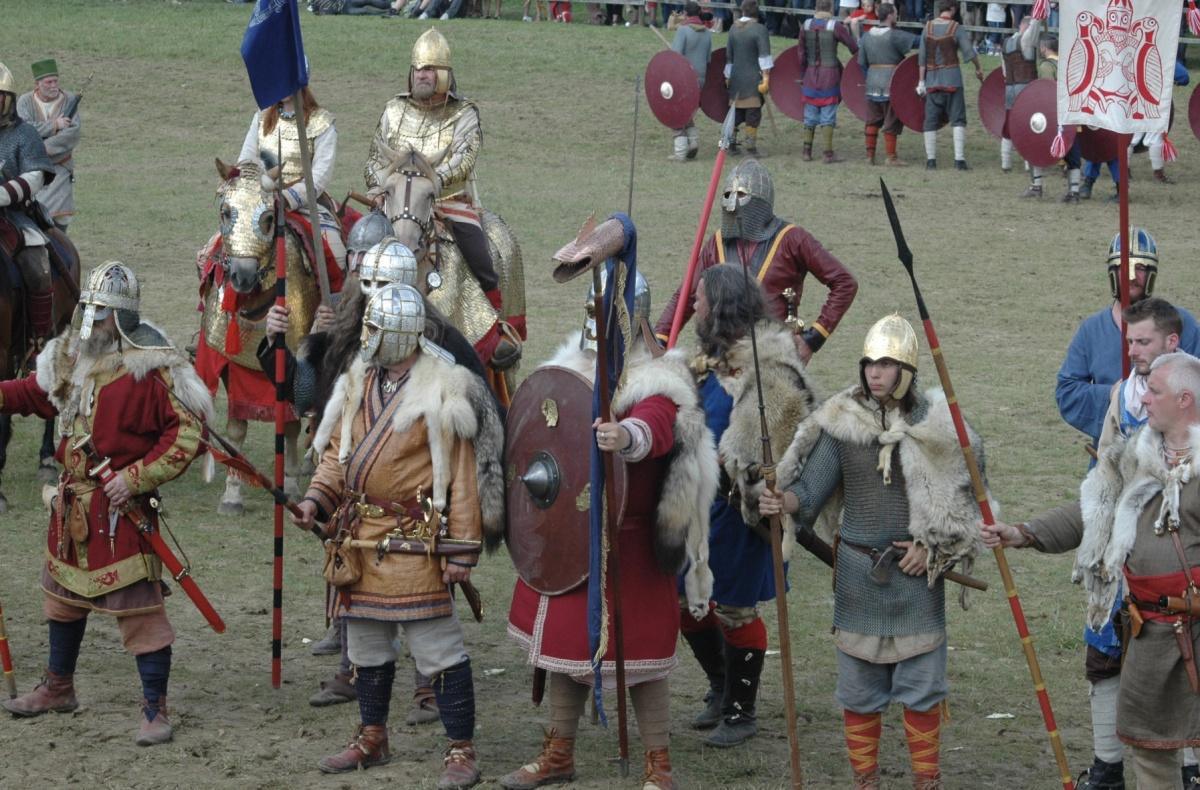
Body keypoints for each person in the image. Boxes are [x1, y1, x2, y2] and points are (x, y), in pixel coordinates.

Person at [501, 220, 717, 790]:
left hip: (629, 540)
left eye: (608, 314)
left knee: (641, 660)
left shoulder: (657, 379)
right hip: (570, 535)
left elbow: (659, 428)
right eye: (592, 314)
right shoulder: (572, 369)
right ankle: (558, 753)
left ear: (633, 316)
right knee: (567, 648)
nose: (597, 324)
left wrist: (627, 438)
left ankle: (658, 766)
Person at [260, 229, 502, 721]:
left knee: (433, 635)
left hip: (420, 523)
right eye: (366, 284)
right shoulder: (351, 353)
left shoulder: (445, 368)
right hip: (360, 524)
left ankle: (439, 708)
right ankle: (365, 711)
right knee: (365, 630)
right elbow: (318, 418)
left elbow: (464, 456)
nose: (373, 301)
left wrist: (461, 543)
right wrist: (279, 343)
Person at [760, 313, 985, 790]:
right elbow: (810, 492)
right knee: (859, 696)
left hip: (916, 584)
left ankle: (927, 783)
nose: (874, 373)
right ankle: (867, 783)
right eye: (869, 364)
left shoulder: (937, 426)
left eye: (885, 364)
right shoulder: (844, 425)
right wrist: (784, 501)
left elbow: (961, 502)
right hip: (859, 582)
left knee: (923, 694)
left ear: (906, 369)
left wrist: (932, 548)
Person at [295, 283, 502, 788]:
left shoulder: (445, 387)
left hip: (416, 542)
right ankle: (372, 735)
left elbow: (463, 475)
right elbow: (337, 458)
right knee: (366, 646)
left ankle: (461, 749)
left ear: (401, 335)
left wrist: (462, 550)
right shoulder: (358, 380)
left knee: (438, 650)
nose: (366, 337)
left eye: (375, 329)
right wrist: (315, 501)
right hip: (361, 539)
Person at [0, 262, 211, 746]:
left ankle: (155, 709)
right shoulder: (71, 362)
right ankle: (58, 687)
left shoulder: (152, 371)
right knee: (61, 600)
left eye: (99, 316)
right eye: (86, 313)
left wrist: (135, 477)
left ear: (119, 320)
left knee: (140, 613)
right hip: (72, 508)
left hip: (122, 514)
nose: (89, 325)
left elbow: (187, 435)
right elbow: (32, 393)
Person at [984, 351, 1200, 790]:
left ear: (1184, 399)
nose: (1142, 403)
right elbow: (1094, 510)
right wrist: (1024, 532)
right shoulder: (1135, 455)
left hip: (1198, 631)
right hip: (1147, 633)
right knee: (1150, 753)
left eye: (1153, 393)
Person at [679, 264, 817, 749]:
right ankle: (720, 686)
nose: (693, 306)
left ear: (721, 307)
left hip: (739, 512)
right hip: (693, 506)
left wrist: (758, 481)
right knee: (686, 602)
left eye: (699, 299)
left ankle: (741, 710)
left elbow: (791, 447)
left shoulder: (771, 372)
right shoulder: (699, 364)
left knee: (735, 609)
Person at [364, 28, 515, 368]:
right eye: (418, 68)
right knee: (357, 242)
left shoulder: (464, 114)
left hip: (447, 202)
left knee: (477, 248)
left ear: (445, 74)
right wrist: (385, 183)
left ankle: (496, 326)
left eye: (430, 68)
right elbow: (374, 160)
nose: (423, 74)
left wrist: (430, 183)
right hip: (393, 202)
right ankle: (342, 317)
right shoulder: (393, 110)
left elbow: (463, 160)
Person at [654, 158, 858, 365]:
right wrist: (659, 338)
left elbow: (844, 282)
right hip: (722, 357)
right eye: (728, 194)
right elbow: (686, 296)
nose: (732, 201)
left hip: (774, 358)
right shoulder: (717, 242)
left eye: (741, 194)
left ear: (761, 202)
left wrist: (813, 338)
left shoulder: (792, 239)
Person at [1056, 228, 1200, 454]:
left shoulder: (1180, 324)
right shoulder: (1091, 330)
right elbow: (1067, 392)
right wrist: (1113, 395)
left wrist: (1162, 397)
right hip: (1112, 455)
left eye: (1140, 268)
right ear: (1113, 272)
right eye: (1124, 266)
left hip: (1174, 457)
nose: (1132, 275)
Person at [238, 85, 345, 266]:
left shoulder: (321, 122)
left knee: (336, 255)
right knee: (218, 250)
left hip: (304, 204)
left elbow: (320, 175)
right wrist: (251, 188)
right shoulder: (262, 115)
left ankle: (335, 295)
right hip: (260, 201)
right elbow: (246, 159)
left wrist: (288, 197)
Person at [0, 61, 60, 342]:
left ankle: (38, 341)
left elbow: (36, 176)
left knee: (37, 269)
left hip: (13, 216)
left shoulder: (24, 134)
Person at [916, 0, 984, 170]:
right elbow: (969, 52)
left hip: (932, 81)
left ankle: (931, 161)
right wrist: (978, 67)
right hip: (953, 80)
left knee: (930, 121)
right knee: (958, 119)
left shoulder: (927, 28)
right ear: (953, 9)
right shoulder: (956, 28)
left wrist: (921, 82)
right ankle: (959, 160)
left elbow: (921, 59)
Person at [15, 59, 80, 231]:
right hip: (31, 171)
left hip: (59, 170)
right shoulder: (25, 101)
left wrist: (41, 149)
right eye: (48, 82)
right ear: (37, 83)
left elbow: (71, 134)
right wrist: (54, 125)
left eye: (56, 81)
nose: (54, 86)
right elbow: (24, 129)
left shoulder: (69, 100)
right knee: (31, 219)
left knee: (59, 222)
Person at [797, 0, 859, 163]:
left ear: (816, 7)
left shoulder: (806, 25)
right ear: (831, 7)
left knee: (810, 114)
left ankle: (806, 151)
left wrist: (803, 74)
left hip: (810, 74)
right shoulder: (835, 26)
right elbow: (853, 47)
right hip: (830, 75)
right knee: (828, 113)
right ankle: (827, 153)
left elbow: (801, 54)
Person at [857, 3, 916, 165]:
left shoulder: (866, 36)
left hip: (872, 83)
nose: (896, 16)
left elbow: (861, 62)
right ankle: (891, 157)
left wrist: (869, 77)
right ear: (890, 15)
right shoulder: (894, 35)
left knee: (872, 119)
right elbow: (918, 41)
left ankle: (870, 156)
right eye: (895, 13)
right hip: (892, 83)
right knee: (891, 119)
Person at [997, 17, 1045, 195]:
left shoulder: (1006, 43)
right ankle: (1028, 164)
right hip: (1027, 90)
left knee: (1009, 126)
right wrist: (1038, 18)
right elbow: (1034, 29)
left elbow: (1003, 71)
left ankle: (1006, 163)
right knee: (1030, 127)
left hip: (1010, 88)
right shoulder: (1025, 40)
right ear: (1025, 26)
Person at [1036, 35, 1084, 203]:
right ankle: (1074, 192)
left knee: (1036, 148)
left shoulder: (1046, 66)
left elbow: (1046, 91)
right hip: (1072, 114)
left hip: (1055, 116)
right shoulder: (1068, 64)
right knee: (1073, 154)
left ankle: (1036, 186)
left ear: (1044, 47)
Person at [724, 0, 773, 156]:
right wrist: (766, 78)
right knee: (753, 114)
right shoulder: (760, 30)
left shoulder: (733, 28)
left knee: (736, 114)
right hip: (753, 80)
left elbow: (729, 57)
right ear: (757, 11)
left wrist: (727, 76)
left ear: (743, 11)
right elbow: (764, 57)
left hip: (735, 78)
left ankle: (731, 145)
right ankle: (750, 148)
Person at [669, 1, 713, 162]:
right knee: (688, 110)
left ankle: (680, 152)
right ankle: (693, 142)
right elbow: (708, 58)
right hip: (700, 78)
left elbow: (675, 57)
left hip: (684, 78)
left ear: (686, 14)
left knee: (676, 111)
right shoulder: (707, 32)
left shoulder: (683, 30)